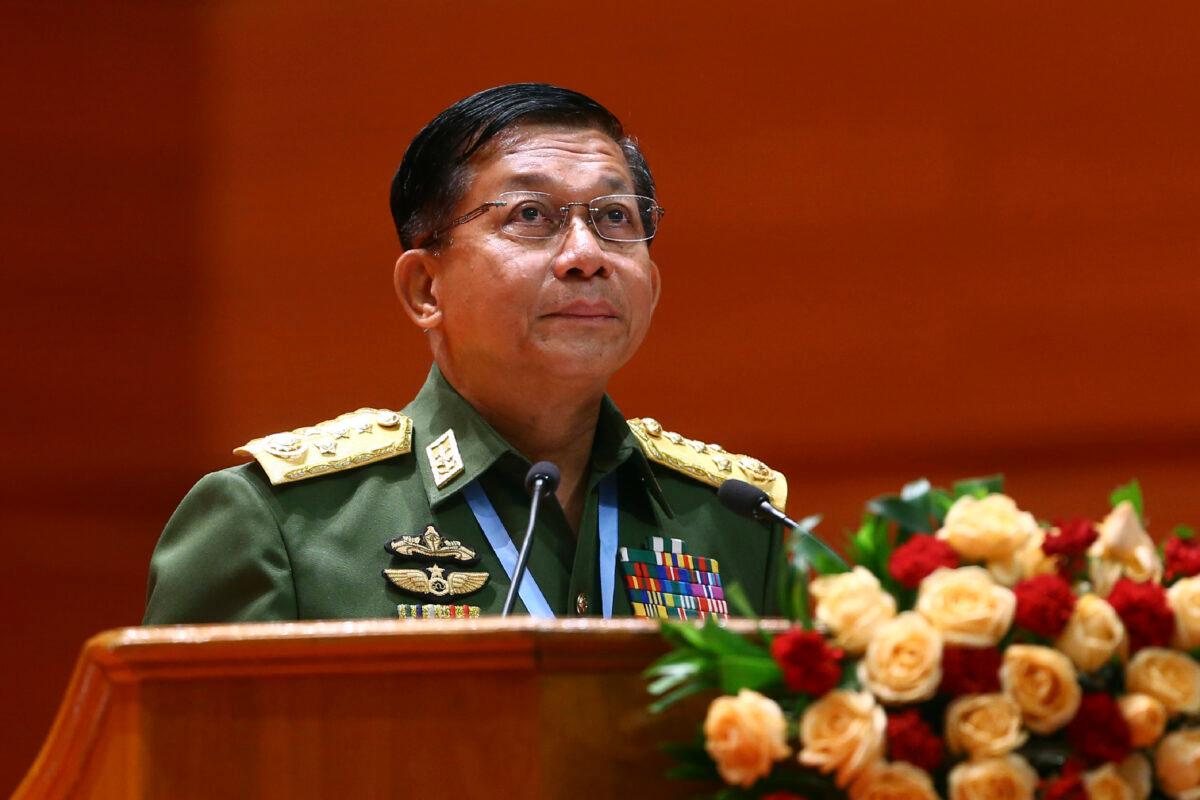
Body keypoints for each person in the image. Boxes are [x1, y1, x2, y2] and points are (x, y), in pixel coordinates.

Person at [143, 84, 787, 624]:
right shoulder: (282, 525)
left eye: (616, 217)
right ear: (426, 288)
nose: (586, 255)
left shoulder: (738, 522)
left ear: (652, 283)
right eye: (532, 214)